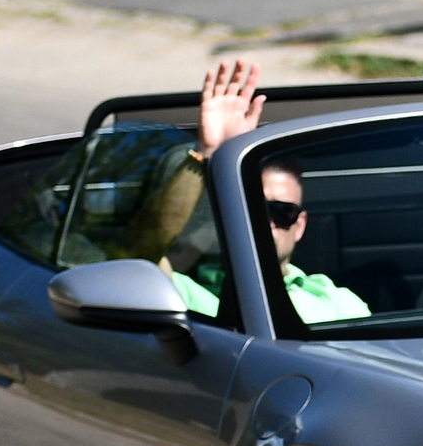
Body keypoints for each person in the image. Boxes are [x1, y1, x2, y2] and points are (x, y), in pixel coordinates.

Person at [142, 57, 369, 325]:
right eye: (253, 207)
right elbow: (143, 252)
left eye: (282, 211)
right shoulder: (187, 291)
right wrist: (209, 155)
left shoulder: (333, 300)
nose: (267, 221)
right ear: (231, 211)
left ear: (300, 225)